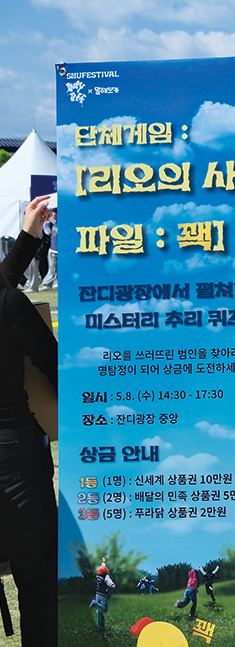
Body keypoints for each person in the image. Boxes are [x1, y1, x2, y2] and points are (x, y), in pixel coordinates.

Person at [0, 195, 57, 646]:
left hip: (15, 453)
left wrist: (27, 238)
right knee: (37, 583)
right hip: (16, 455)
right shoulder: (9, 303)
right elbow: (55, 364)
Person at [89, 561, 115, 632]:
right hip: (104, 595)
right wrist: (112, 585)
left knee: (99, 612)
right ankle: (94, 604)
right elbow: (108, 581)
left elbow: (102, 568)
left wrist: (103, 562)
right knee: (104, 609)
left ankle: (101, 628)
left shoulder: (98, 575)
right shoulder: (106, 576)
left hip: (97, 594)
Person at [41, 207, 56, 289]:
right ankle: (48, 283)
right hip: (52, 249)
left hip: (56, 250)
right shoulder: (54, 223)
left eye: (53, 213)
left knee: (53, 269)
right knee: (52, 268)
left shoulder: (57, 223)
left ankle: (47, 284)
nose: (51, 214)